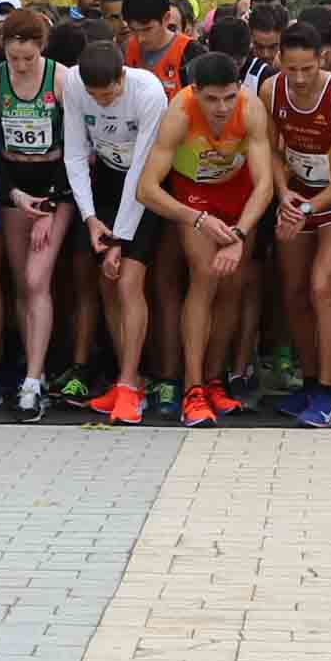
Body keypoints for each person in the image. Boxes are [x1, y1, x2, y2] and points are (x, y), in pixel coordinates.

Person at [131, 52, 276, 427]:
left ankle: (213, 379)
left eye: (229, 97)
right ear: (195, 92)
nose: (222, 108)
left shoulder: (251, 108)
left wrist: (240, 234)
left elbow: (264, 184)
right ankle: (192, 388)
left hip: (237, 193)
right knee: (205, 278)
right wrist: (197, 219)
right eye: (212, 99)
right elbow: (146, 190)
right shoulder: (179, 113)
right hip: (194, 195)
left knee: (233, 286)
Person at [62, 32, 169, 425]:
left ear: (123, 76)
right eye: (96, 97)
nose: (103, 102)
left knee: (127, 282)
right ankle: (130, 378)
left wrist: (119, 239)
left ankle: (128, 386)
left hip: (146, 187)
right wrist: (90, 219)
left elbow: (142, 172)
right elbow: (75, 153)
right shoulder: (73, 83)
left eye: (109, 95)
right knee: (106, 282)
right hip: (104, 180)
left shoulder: (149, 92)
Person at [265, 21, 331, 426]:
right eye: (293, 69)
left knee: (322, 285)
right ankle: (309, 382)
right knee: (292, 291)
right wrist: (282, 193)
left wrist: (309, 207)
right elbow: (270, 149)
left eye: (308, 68)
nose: (301, 78)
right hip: (297, 193)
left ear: (321, 59)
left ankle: (328, 392)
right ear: (280, 63)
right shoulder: (271, 90)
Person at [0, 9, 72, 418]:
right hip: (13, 186)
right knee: (24, 285)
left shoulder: (62, 79)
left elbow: (76, 148)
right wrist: (14, 195)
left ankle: (33, 383)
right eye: (13, 58)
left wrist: (51, 205)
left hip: (55, 186)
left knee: (38, 278)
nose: (19, 67)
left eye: (27, 59)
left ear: (42, 48)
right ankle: (34, 372)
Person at [122, 0, 194, 93]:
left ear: (166, 18)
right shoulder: (125, 50)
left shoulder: (190, 53)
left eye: (147, 29)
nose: (140, 39)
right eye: (133, 30)